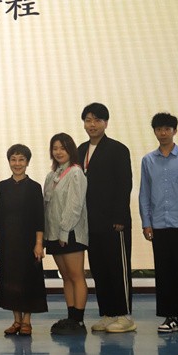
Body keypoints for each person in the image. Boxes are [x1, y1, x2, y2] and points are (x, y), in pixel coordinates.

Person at [139, 112, 178, 334]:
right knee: (163, 273)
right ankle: (169, 317)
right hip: (158, 225)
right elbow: (144, 194)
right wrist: (146, 222)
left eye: (167, 129)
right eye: (159, 129)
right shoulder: (148, 160)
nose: (163, 133)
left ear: (175, 131)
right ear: (154, 132)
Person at [77, 103, 135, 333]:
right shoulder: (80, 150)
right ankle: (108, 314)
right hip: (90, 222)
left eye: (97, 120)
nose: (92, 124)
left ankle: (125, 316)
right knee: (99, 269)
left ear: (106, 123)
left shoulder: (118, 149)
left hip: (114, 222)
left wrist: (120, 216)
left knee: (117, 268)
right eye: (88, 120)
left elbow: (124, 184)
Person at [0, 144, 47, 337]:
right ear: (9, 162)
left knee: (28, 279)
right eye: (13, 159)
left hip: (28, 241)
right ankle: (16, 320)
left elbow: (39, 217)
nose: (17, 163)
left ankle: (27, 321)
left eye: (21, 159)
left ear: (27, 162)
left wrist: (39, 243)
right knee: (11, 279)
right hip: (8, 240)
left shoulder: (34, 187)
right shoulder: (1, 187)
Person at [43, 132, 88, 335]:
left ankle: (79, 320)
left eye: (63, 148)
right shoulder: (51, 175)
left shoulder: (76, 173)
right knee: (66, 277)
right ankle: (71, 317)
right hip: (53, 234)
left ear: (71, 150)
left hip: (70, 233)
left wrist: (64, 231)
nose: (59, 152)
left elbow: (75, 205)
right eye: (55, 148)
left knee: (76, 276)